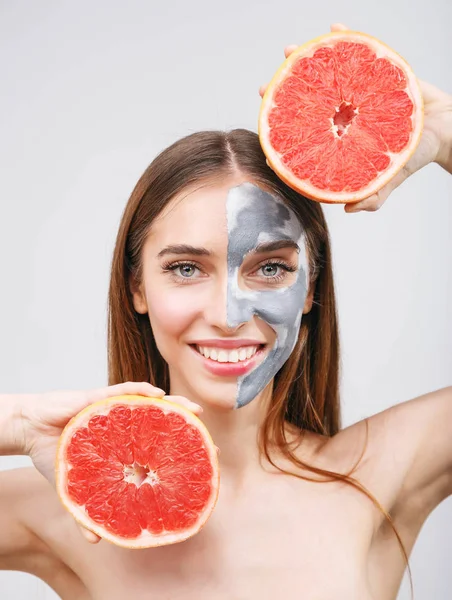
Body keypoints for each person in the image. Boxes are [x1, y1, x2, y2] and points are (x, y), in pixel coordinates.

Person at [0, 22, 451, 600]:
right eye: (186, 269)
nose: (229, 312)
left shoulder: (380, 474)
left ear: (311, 289)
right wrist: (13, 422)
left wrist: (446, 133)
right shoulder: (70, 506)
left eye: (270, 268)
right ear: (136, 287)